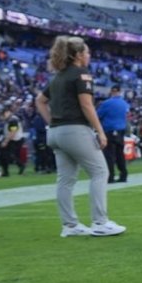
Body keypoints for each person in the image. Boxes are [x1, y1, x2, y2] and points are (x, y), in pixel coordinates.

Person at [34, 36, 127, 238]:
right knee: (100, 172)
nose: (89, 56)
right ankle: (100, 222)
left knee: (65, 180)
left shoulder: (58, 77)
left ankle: (70, 225)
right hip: (75, 129)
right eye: (86, 52)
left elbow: (40, 101)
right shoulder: (80, 74)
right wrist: (100, 131)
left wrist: (51, 122)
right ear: (77, 55)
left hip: (56, 132)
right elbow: (86, 105)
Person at [97, 84, 130, 183]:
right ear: (120, 91)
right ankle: (123, 175)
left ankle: (110, 176)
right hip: (121, 130)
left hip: (109, 130)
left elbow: (98, 115)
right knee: (120, 154)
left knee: (109, 154)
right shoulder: (124, 103)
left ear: (111, 91)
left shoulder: (107, 103)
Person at [0, 107, 26, 177]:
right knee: (4, 156)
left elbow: (13, 132)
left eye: (2, 115)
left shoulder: (13, 120)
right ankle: (6, 171)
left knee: (10, 156)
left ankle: (21, 165)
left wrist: (5, 142)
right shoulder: (9, 120)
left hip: (15, 140)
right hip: (11, 140)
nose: (1, 117)